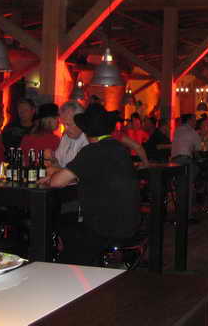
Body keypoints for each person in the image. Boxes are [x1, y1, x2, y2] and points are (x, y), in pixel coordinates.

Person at [39, 105, 140, 266]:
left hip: (105, 228)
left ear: (86, 132)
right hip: (130, 222)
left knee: (66, 243)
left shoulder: (91, 151)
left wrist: (50, 176)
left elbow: (57, 182)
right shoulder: (120, 149)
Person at [171, 114, 202, 217]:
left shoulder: (177, 130)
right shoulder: (192, 132)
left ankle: (179, 212)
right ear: (189, 120)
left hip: (173, 162)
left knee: (180, 186)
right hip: (185, 160)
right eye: (194, 120)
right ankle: (187, 215)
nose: (196, 122)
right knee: (188, 186)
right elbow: (198, 150)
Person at [51, 101, 88, 170]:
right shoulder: (66, 137)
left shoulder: (89, 140)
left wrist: (56, 169)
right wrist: (52, 159)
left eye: (68, 124)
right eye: (63, 124)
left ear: (80, 121)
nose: (65, 129)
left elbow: (78, 173)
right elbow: (58, 162)